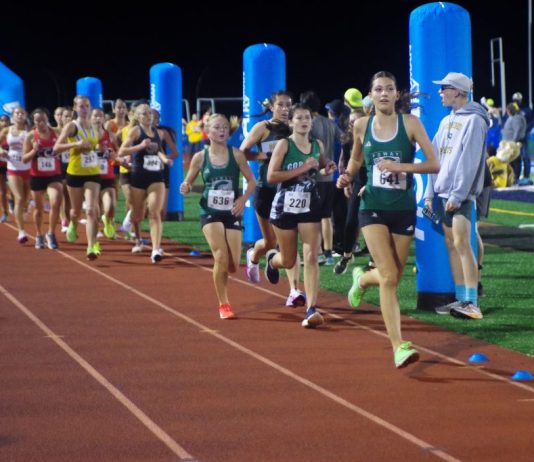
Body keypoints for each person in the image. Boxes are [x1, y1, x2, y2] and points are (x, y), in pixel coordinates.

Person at [337, 71, 439, 367]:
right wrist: (347, 176)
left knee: (393, 275)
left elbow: (434, 164)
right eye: (378, 89)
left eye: (389, 89)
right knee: (390, 276)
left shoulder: (411, 124)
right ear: (371, 95)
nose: (384, 93)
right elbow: (356, 158)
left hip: (403, 209)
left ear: (396, 94)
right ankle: (398, 346)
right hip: (372, 207)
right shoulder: (361, 125)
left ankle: (361, 278)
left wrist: (400, 167)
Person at [424, 72, 489, 320]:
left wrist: (458, 194)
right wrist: (430, 193)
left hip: (460, 195)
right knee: (452, 244)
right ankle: (461, 298)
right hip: (444, 192)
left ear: (459, 91)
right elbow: (435, 158)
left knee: (462, 243)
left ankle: (472, 302)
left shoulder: (475, 121)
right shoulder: (446, 121)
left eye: (445, 88)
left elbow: (469, 162)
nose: (440, 92)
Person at [266, 103, 337, 328]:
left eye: (307, 117)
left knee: (311, 256)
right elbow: (271, 176)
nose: (304, 121)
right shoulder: (284, 144)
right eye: (299, 118)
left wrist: (328, 167)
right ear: (291, 123)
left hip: (309, 206)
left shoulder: (317, 144)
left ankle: (311, 308)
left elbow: (320, 167)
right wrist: (303, 168)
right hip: (284, 207)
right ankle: (272, 260)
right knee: (288, 260)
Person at [180, 113, 256, 319]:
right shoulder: (200, 157)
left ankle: (250, 257)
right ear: (208, 131)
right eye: (217, 127)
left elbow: (252, 181)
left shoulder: (236, 155)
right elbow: (188, 182)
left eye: (225, 127)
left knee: (232, 265)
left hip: (231, 211)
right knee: (220, 256)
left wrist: (243, 199)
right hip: (209, 211)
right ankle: (224, 304)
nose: (222, 130)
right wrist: (186, 186)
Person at [239, 91, 306, 307]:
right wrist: (264, 156)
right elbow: (242, 152)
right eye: (281, 105)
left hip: (288, 191)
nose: (285, 109)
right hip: (266, 191)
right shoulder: (263, 128)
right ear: (272, 107)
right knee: (270, 242)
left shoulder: (294, 128)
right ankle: (254, 255)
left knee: (290, 241)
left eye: (288, 105)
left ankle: (294, 290)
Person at [118, 103, 172, 263]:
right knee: (138, 214)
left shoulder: (158, 133)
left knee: (154, 213)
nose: (148, 116)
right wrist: (140, 146)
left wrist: (165, 159)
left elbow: (159, 150)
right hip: (138, 176)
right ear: (138, 117)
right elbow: (122, 151)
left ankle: (155, 249)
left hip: (156, 177)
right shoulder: (135, 131)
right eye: (144, 113)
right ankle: (138, 238)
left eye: (150, 113)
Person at [54, 95, 102, 260]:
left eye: (87, 106)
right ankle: (73, 223)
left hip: (93, 172)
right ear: (75, 108)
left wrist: (100, 150)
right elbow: (56, 148)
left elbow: (94, 147)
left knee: (91, 209)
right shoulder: (72, 126)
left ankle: (91, 246)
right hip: (75, 173)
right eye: (81, 106)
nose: (85, 109)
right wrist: (76, 144)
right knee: (75, 212)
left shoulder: (95, 126)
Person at [300, 91, 342, 266]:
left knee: (311, 217)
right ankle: (329, 253)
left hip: (314, 176)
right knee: (326, 216)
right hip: (329, 176)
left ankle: (316, 252)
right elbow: (344, 138)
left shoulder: (307, 124)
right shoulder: (330, 123)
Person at [22, 108, 63, 249]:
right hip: (37, 176)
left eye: (43, 120)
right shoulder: (30, 136)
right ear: (33, 122)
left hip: (54, 175)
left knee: (56, 202)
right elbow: (24, 159)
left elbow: (65, 148)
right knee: (39, 209)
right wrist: (34, 150)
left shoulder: (56, 133)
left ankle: (51, 233)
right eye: (37, 120)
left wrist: (59, 150)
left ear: (47, 119)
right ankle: (39, 234)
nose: (41, 123)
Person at [0, 107, 31, 243]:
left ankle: (26, 206)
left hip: (29, 168)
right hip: (13, 168)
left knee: (26, 199)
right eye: (17, 113)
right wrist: (1, 150)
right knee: (19, 198)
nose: (19, 115)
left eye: (22, 113)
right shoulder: (7, 130)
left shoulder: (30, 130)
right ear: (13, 116)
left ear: (25, 115)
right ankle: (21, 231)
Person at [92, 108, 118, 239]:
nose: (98, 118)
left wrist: (114, 155)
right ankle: (96, 228)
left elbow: (117, 153)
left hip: (107, 176)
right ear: (90, 118)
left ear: (104, 118)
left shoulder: (110, 135)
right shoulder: (86, 135)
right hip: (90, 176)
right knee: (94, 206)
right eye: (95, 116)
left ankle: (107, 220)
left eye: (100, 116)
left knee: (111, 205)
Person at [501, 102, 526, 183]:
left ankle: (515, 178)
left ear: (510, 110)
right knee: (512, 162)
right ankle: (512, 178)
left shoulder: (516, 118)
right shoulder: (512, 118)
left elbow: (517, 131)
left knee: (515, 161)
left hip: (512, 143)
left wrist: (513, 142)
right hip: (509, 143)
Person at [511, 92, 533, 182]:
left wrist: (525, 130)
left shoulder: (527, 110)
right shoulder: (512, 109)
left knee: (525, 156)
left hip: (524, 137)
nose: (516, 102)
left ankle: (526, 176)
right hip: (515, 137)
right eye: (515, 100)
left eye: (517, 100)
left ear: (521, 100)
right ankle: (516, 176)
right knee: (516, 157)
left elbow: (531, 122)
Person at [0, 114, 11, 223]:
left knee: (14, 188)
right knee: (3, 190)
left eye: (6, 120)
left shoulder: (12, 133)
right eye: (2, 120)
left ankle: (12, 200)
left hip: (12, 164)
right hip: (1, 165)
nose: (4, 123)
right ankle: (5, 213)